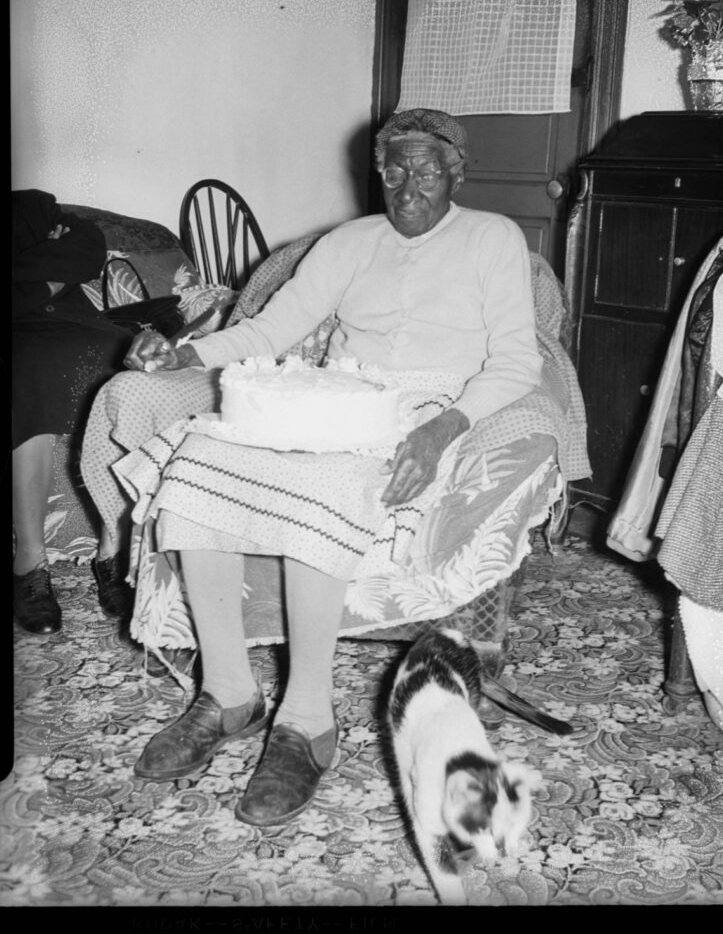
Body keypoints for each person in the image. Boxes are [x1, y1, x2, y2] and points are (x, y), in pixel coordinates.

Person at [106, 108, 546, 825]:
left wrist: (443, 427)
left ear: (456, 173)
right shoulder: (349, 241)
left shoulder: (492, 238)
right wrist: (182, 354)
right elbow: (272, 329)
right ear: (378, 174)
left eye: (427, 170)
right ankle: (227, 695)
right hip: (338, 393)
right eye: (393, 170)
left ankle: (308, 722)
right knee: (192, 469)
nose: (408, 185)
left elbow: (517, 362)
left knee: (328, 487)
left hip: (432, 409)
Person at [12, 190, 136, 634]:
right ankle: (30, 563)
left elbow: (88, 249)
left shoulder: (33, 204)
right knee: (25, 376)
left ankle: (112, 553)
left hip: (79, 324)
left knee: (126, 372)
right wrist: (49, 272)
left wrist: (31, 276)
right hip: (20, 331)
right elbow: (67, 261)